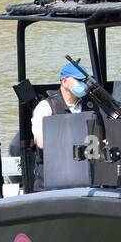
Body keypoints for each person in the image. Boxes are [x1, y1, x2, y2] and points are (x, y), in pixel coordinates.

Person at [29, 60, 95, 189]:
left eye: (85, 81)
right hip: (51, 180)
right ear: (64, 81)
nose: (83, 84)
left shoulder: (90, 107)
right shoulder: (46, 107)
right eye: (78, 80)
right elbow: (40, 142)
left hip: (84, 178)